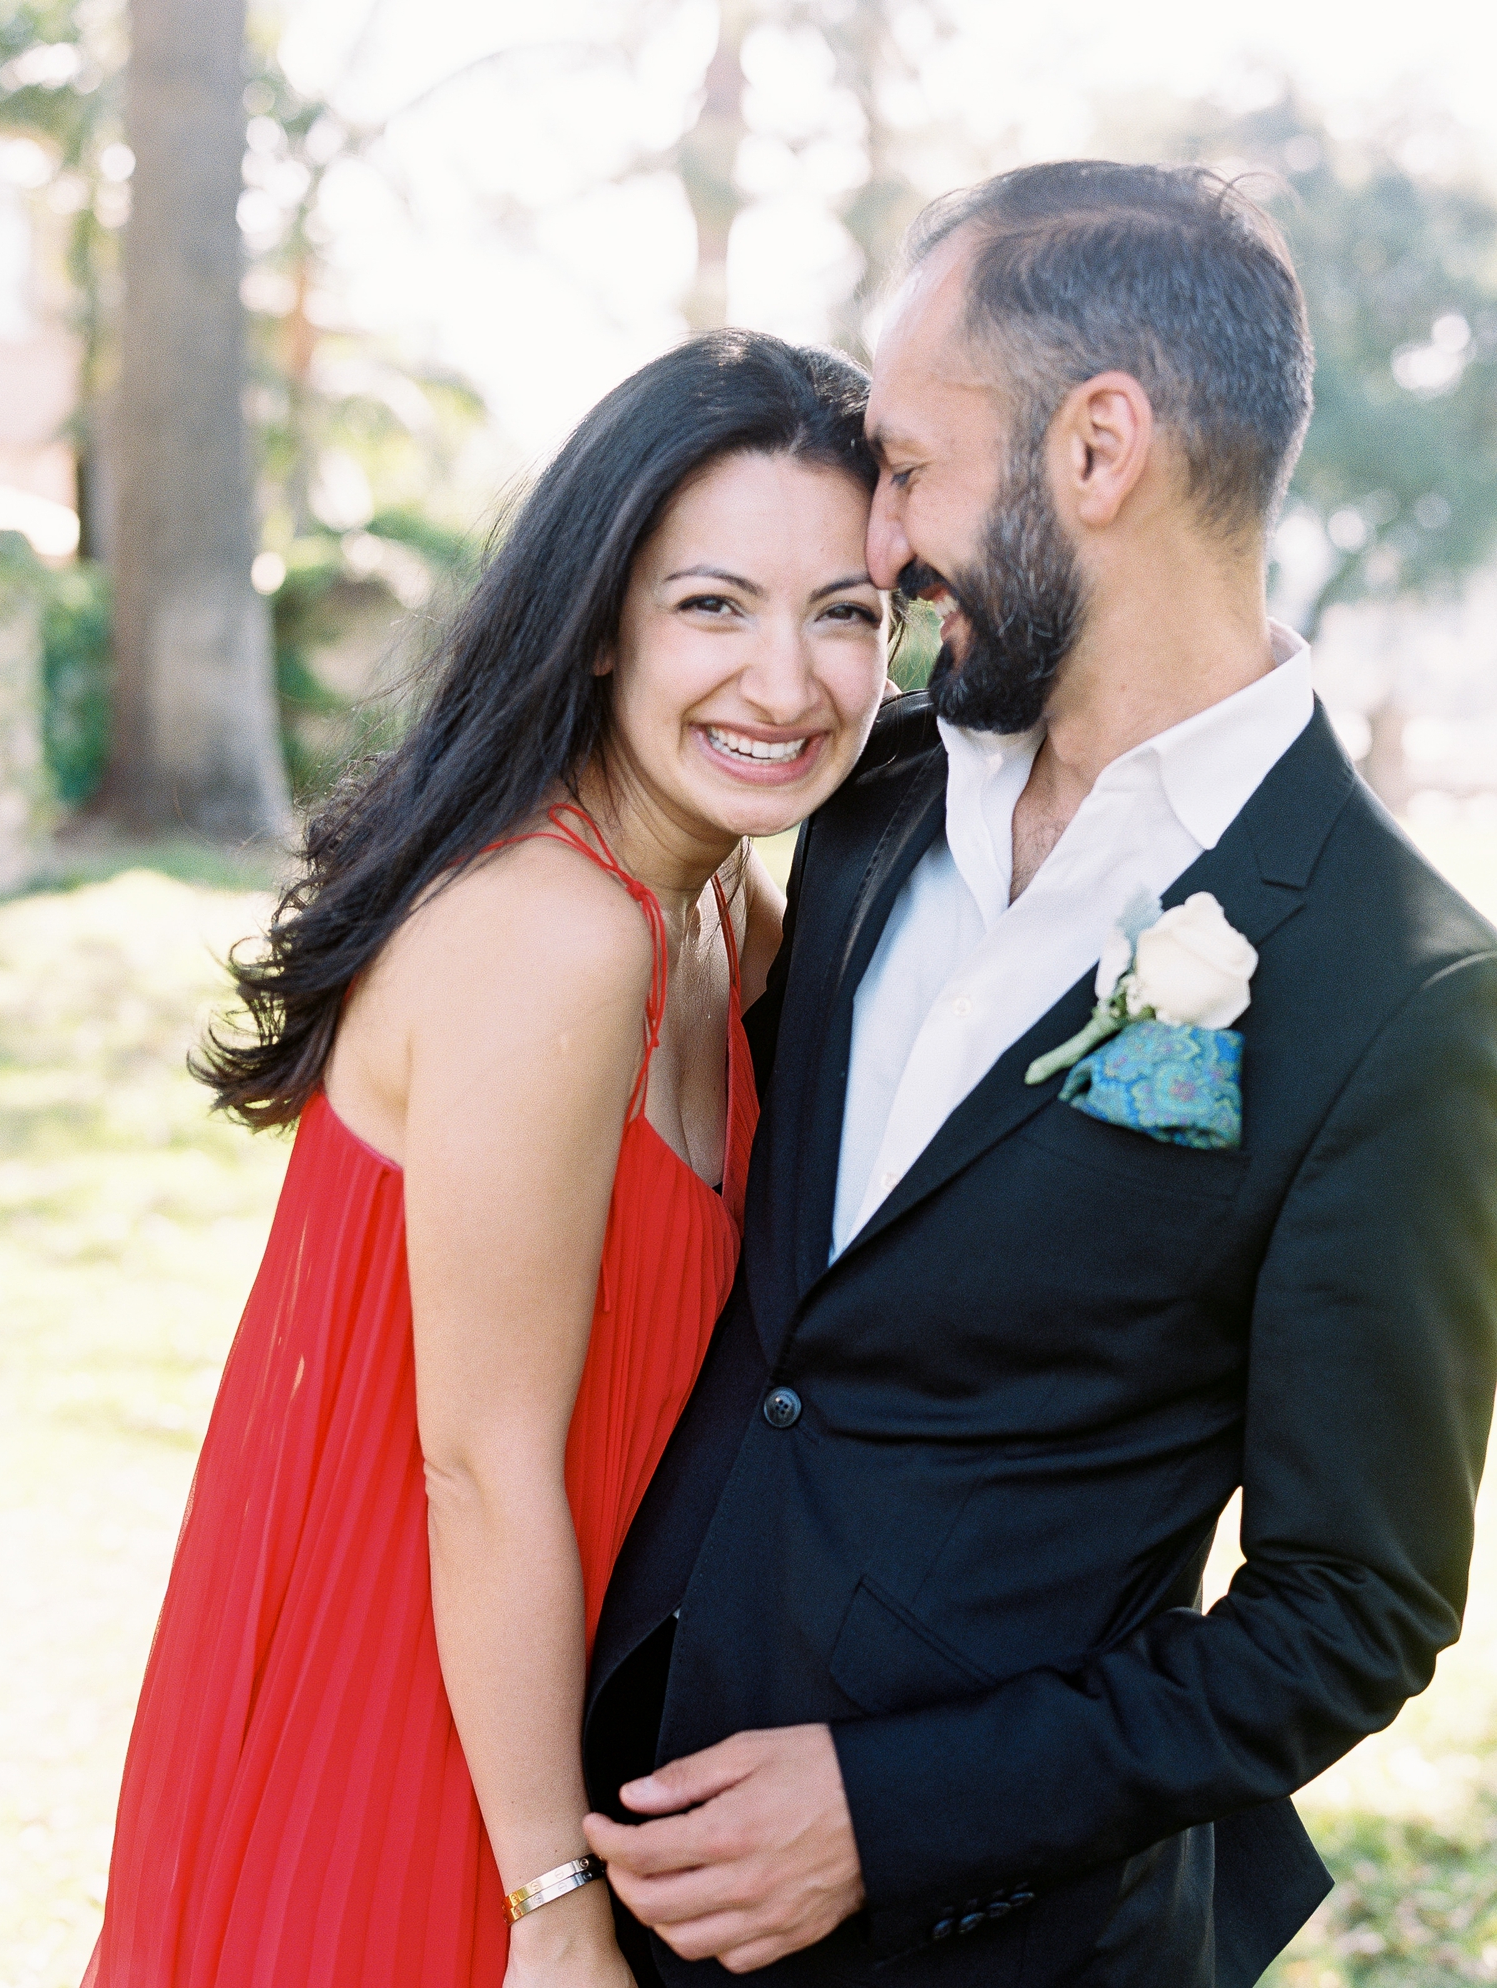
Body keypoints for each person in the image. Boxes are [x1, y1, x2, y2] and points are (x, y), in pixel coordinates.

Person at [583, 163, 1497, 1987]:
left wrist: (889, 1813)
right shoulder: (862, 797)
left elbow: (1348, 1614)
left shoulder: (1405, 995)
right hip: (599, 1854)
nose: (882, 536)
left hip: (994, 1946)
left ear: (1099, 450)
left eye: (911, 465)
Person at [84, 330, 891, 1988]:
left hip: (536, 1700)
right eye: (713, 604)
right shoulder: (557, 934)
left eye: (849, 613)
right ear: (602, 625)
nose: (790, 682)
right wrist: (547, 1902)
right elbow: (480, 1468)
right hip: (410, 1725)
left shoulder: (714, 906)